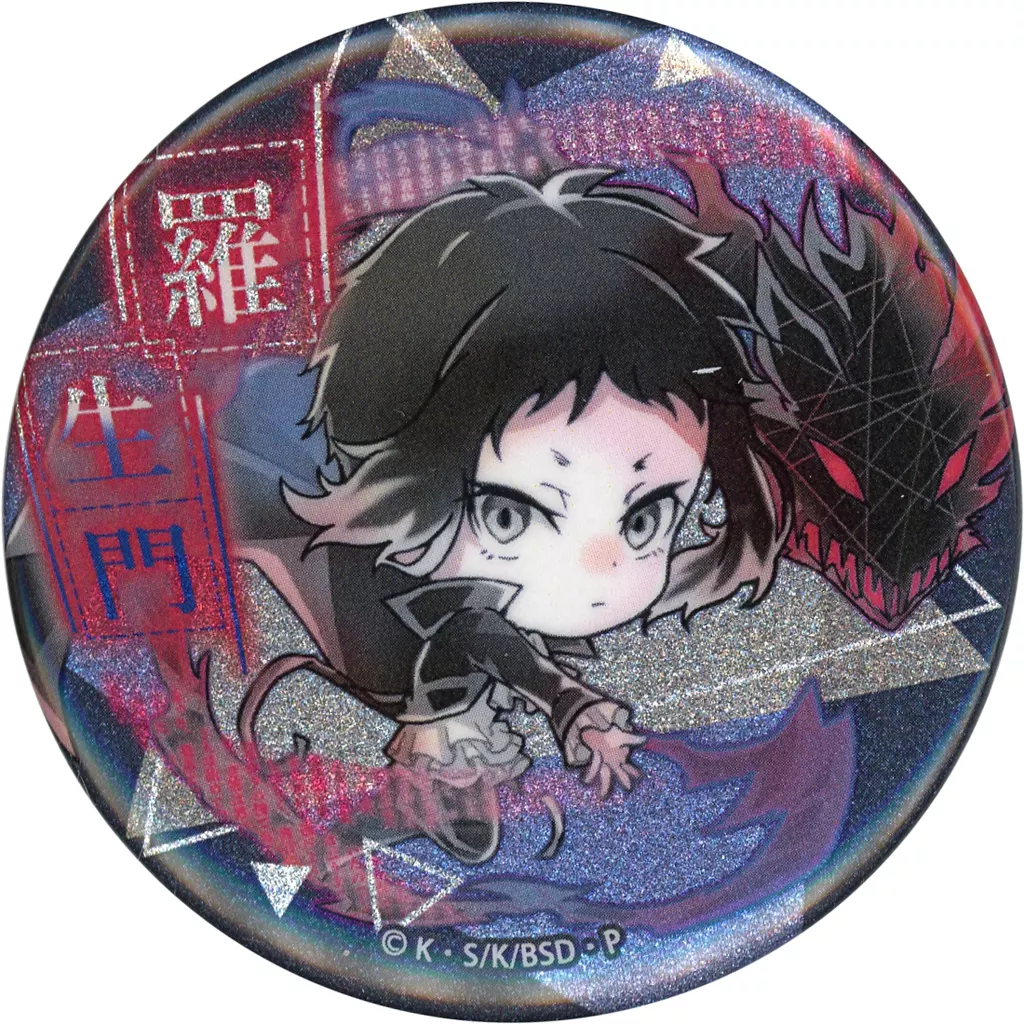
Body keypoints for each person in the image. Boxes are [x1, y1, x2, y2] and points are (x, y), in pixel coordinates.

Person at [241, 167, 791, 864]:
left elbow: (478, 635)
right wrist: (564, 701)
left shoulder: (421, 644)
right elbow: (474, 633)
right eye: (509, 517)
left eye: (647, 521)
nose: (600, 571)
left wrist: (563, 702)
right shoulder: (410, 624)